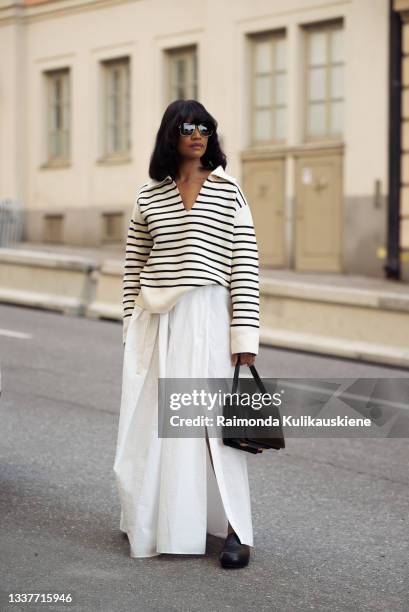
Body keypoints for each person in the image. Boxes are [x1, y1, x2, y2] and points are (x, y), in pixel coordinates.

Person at [113, 99, 261, 569]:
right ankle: (164, 520)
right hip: (158, 322)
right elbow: (133, 264)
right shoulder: (148, 195)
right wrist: (128, 323)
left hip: (210, 318)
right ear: (171, 135)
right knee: (157, 430)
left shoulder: (228, 191)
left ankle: (238, 530)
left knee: (216, 427)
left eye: (204, 127)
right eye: (187, 127)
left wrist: (244, 339)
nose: (198, 134)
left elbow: (245, 265)